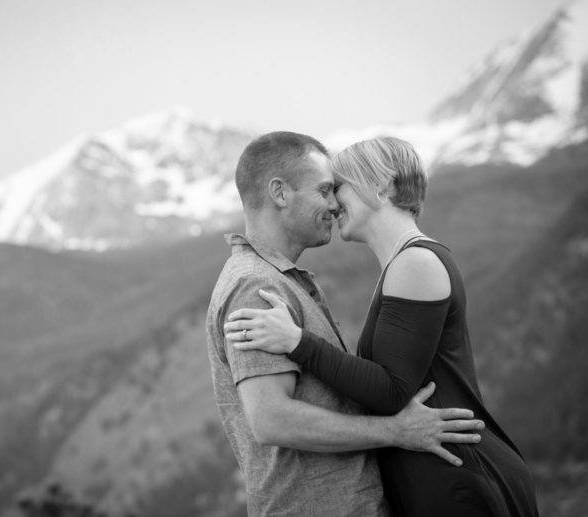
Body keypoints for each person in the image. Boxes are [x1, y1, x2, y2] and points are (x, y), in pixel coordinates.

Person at [224, 136, 539, 516]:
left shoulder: (415, 263)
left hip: (457, 478)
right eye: (327, 189)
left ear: (384, 184)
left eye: (338, 187)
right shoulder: (398, 267)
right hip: (440, 475)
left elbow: (391, 389)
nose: (335, 202)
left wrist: (297, 342)